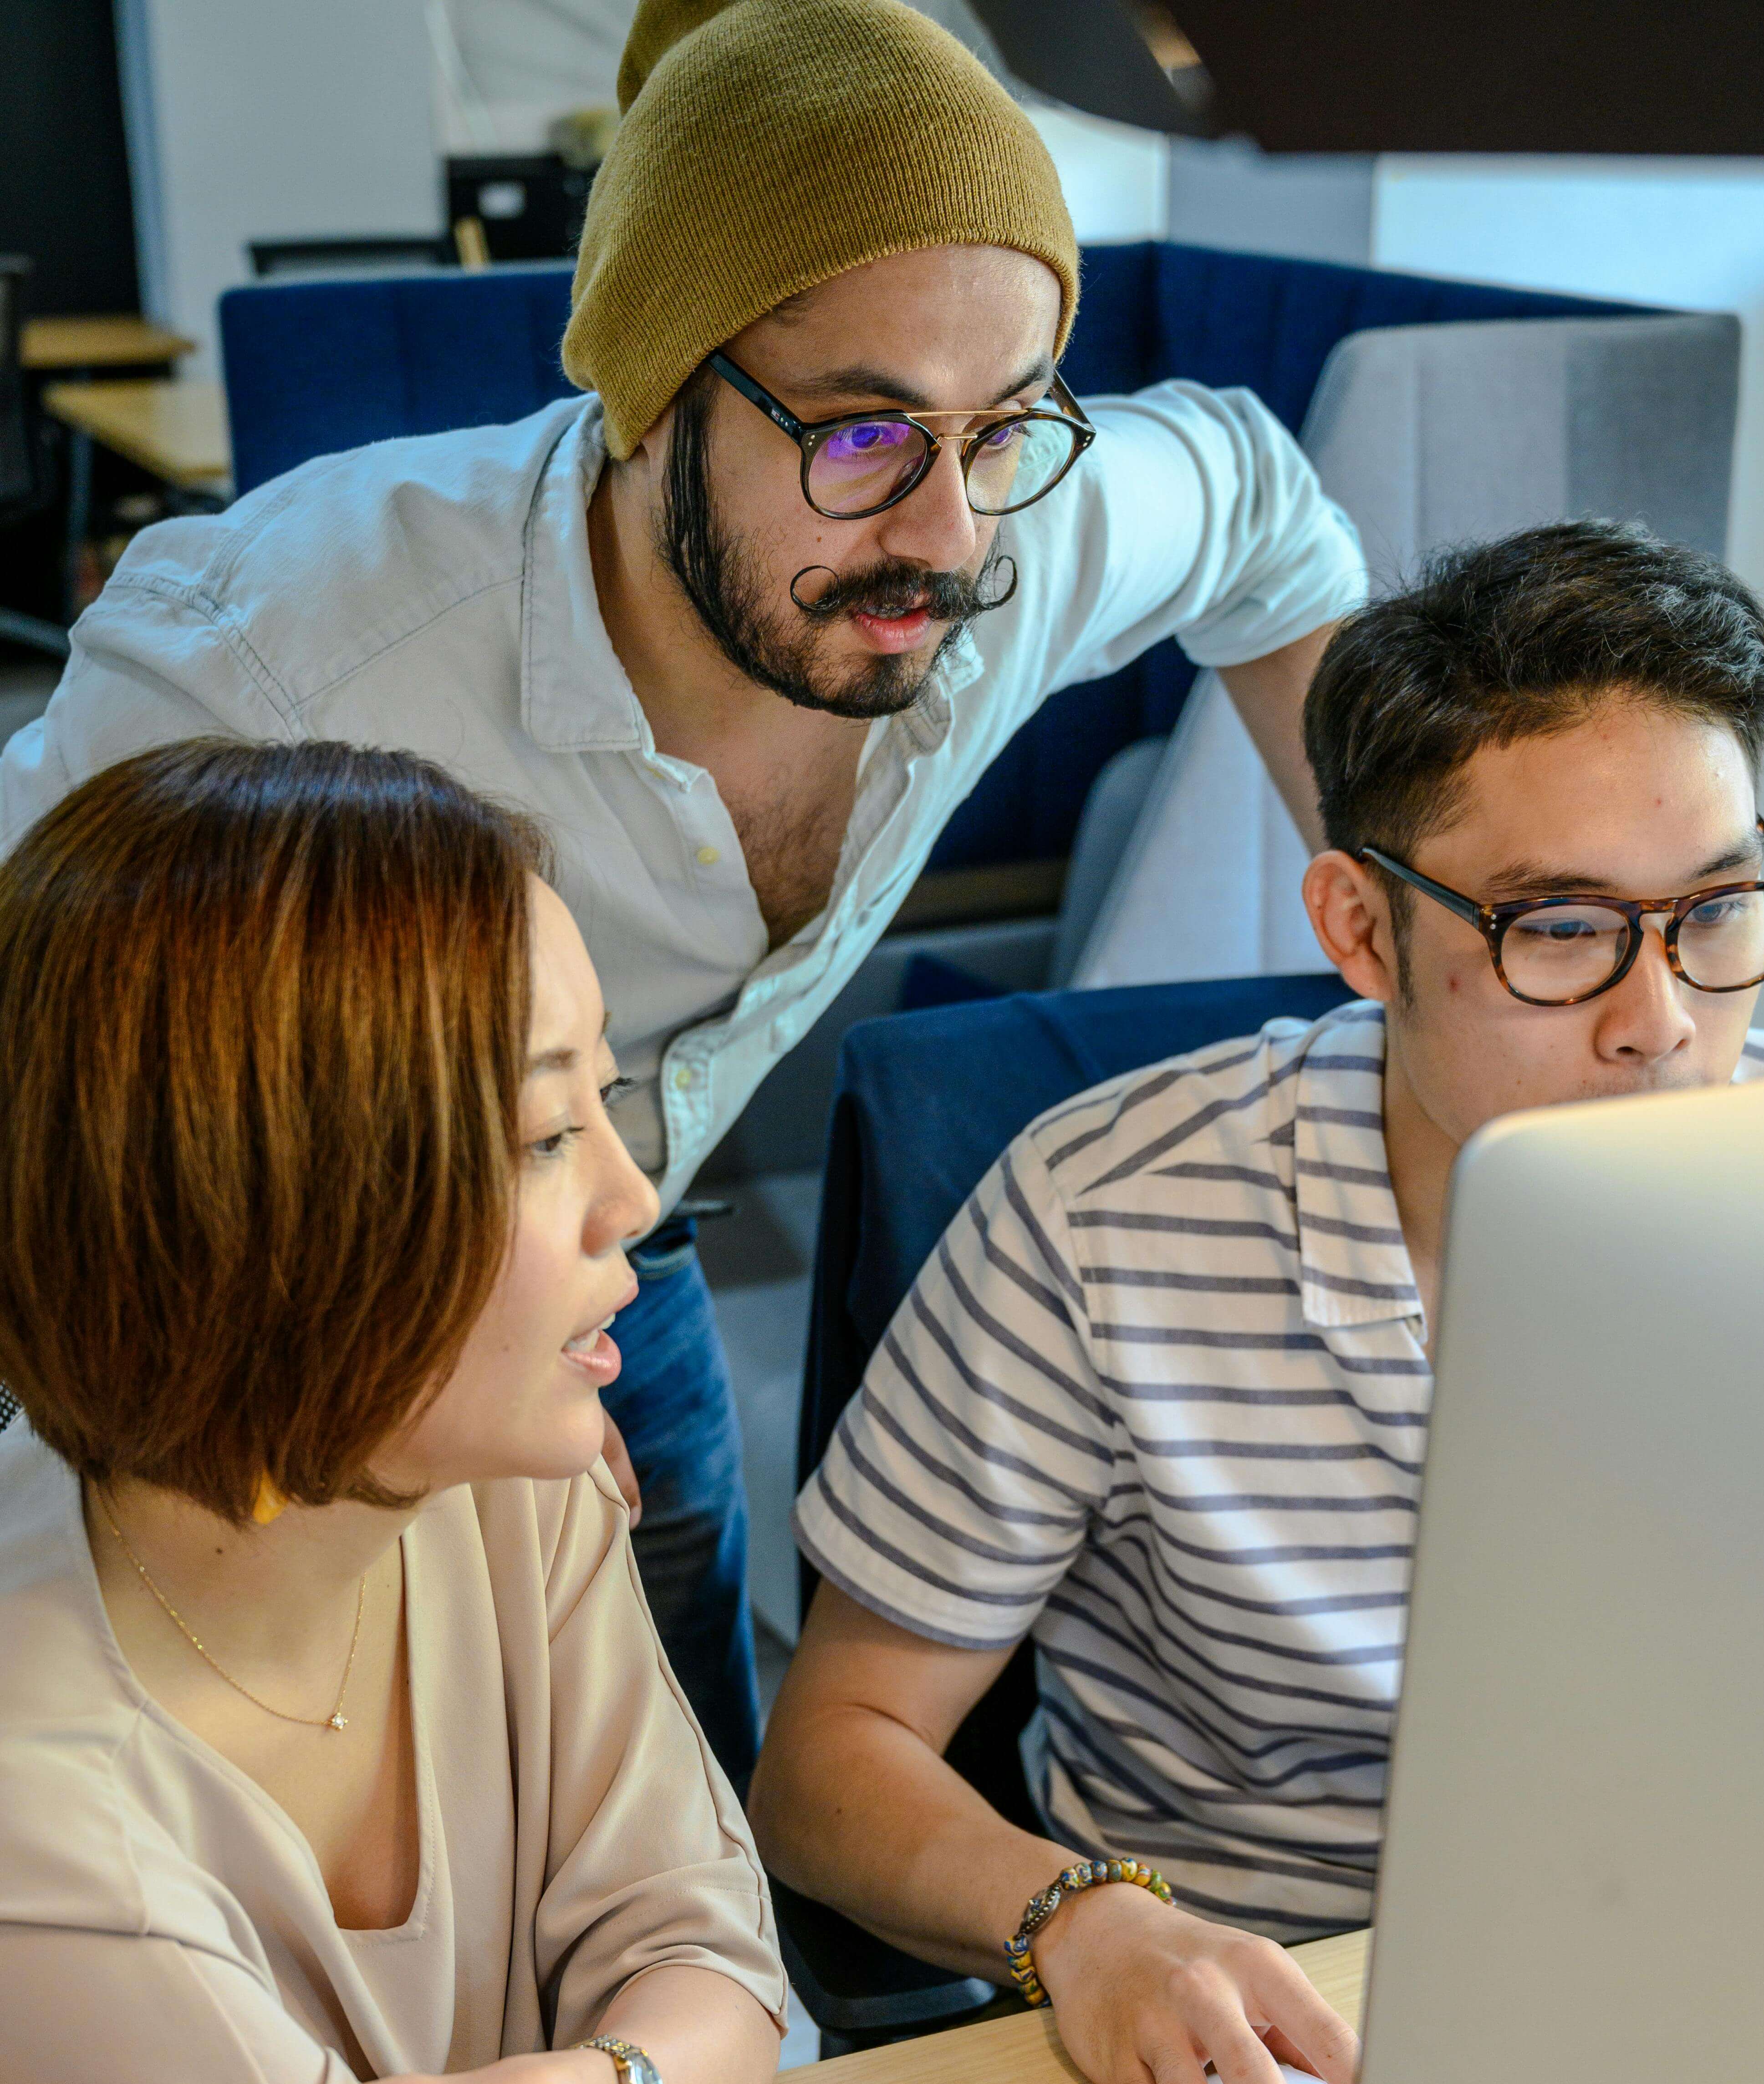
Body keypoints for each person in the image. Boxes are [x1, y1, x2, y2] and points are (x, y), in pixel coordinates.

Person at [0, 737, 1344, 2084]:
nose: (637, 1202)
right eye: (551, 1132)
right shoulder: (42, 1826)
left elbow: (714, 1966)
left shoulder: (489, 1468)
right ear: (296, 1211)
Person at [0, 0, 1366, 1789]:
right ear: (657, 389)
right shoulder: (278, 673)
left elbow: (1264, 505)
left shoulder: (1007, 542)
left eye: (1005, 426)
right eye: (865, 436)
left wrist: (1402, 914)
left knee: (694, 1826)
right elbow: (47, 1105)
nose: (951, 536)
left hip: (611, 1264)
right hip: (302, 1313)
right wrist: (374, 1368)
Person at [753, 520, 1764, 2084]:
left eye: (1719, 909)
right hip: (1285, 2040)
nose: (1663, 1022)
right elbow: (831, 1768)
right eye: (1555, 929)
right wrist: (1084, 1928)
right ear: (1358, 928)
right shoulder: (1107, 1218)